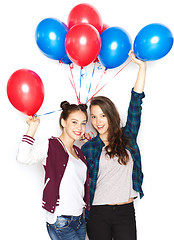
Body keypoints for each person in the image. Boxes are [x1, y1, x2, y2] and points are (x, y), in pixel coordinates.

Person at [81, 50, 146, 240]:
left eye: (102, 115)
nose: (98, 121)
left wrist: (142, 67)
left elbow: (136, 104)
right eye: (93, 116)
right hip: (97, 213)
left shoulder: (128, 137)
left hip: (125, 212)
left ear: (111, 115)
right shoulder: (89, 148)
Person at [16, 101, 90, 240]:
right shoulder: (52, 145)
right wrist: (33, 128)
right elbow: (23, 157)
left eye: (83, 123)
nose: (79, 127)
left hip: (80, 219)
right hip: (61, 220)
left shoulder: (79, 152)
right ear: (63, 121)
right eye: (74, 122)